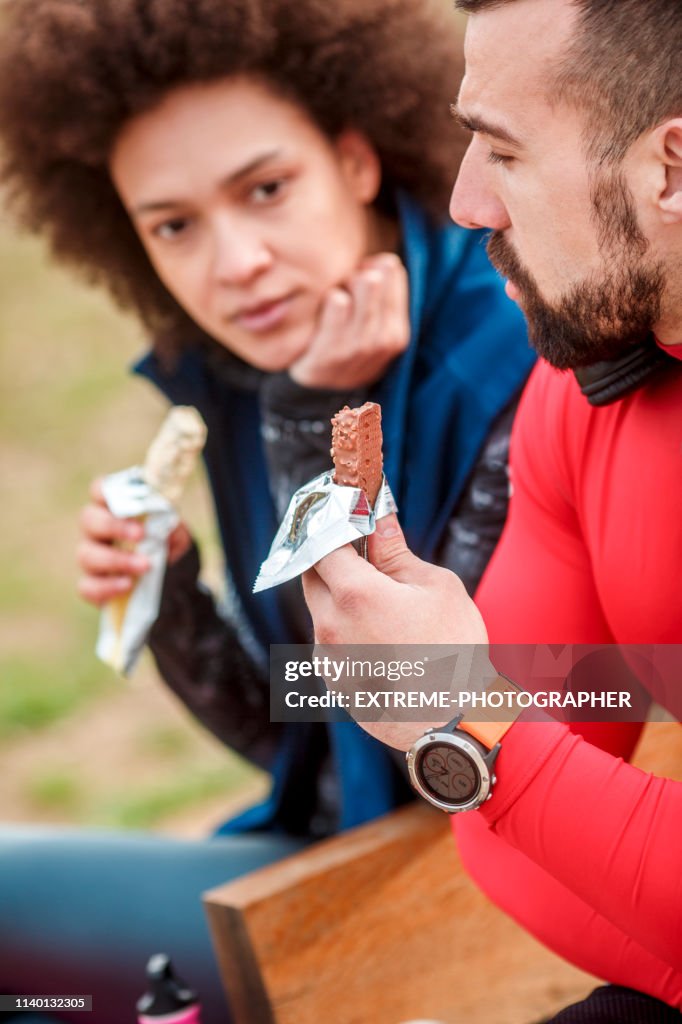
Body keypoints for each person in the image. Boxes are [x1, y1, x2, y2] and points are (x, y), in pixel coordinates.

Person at [0, 0, 534, 1020]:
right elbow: (305, 725)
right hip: (337, 857)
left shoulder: (506, 353)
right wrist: (171, 602)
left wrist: (309, 425)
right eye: (173, 225)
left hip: (469, 905)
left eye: (266, 188)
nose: (234, 261)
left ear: (356, 158)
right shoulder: (265, 360)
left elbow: (429, 741)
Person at [303, 0, 682, 1021]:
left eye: (502, 152)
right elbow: (504, 845)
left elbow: (489, 757)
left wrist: (461, 714)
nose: (465, 203)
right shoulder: (582, 391)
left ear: (672, 166)